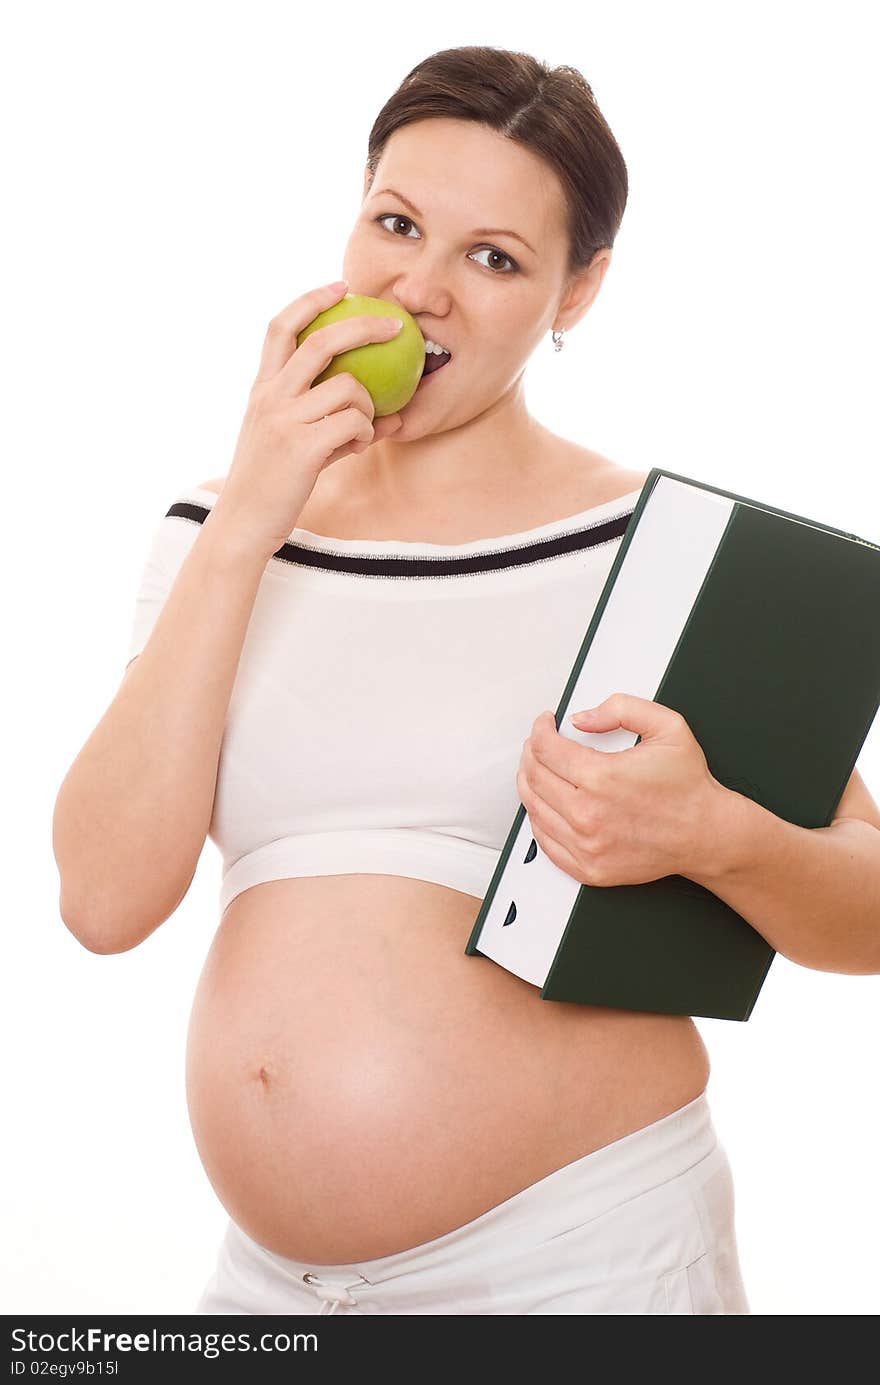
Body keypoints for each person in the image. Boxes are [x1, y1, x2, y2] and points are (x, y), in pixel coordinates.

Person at [56, 45, 751, 1315]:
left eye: (494, 258)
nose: (420, 290)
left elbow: (862, 904)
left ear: (577, 292)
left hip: (584, 1259)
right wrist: (248, 521)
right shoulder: (219, 527)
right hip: (273, 1290)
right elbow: (103, 899)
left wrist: (713, 828)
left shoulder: (650, 544)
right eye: (396, 223)